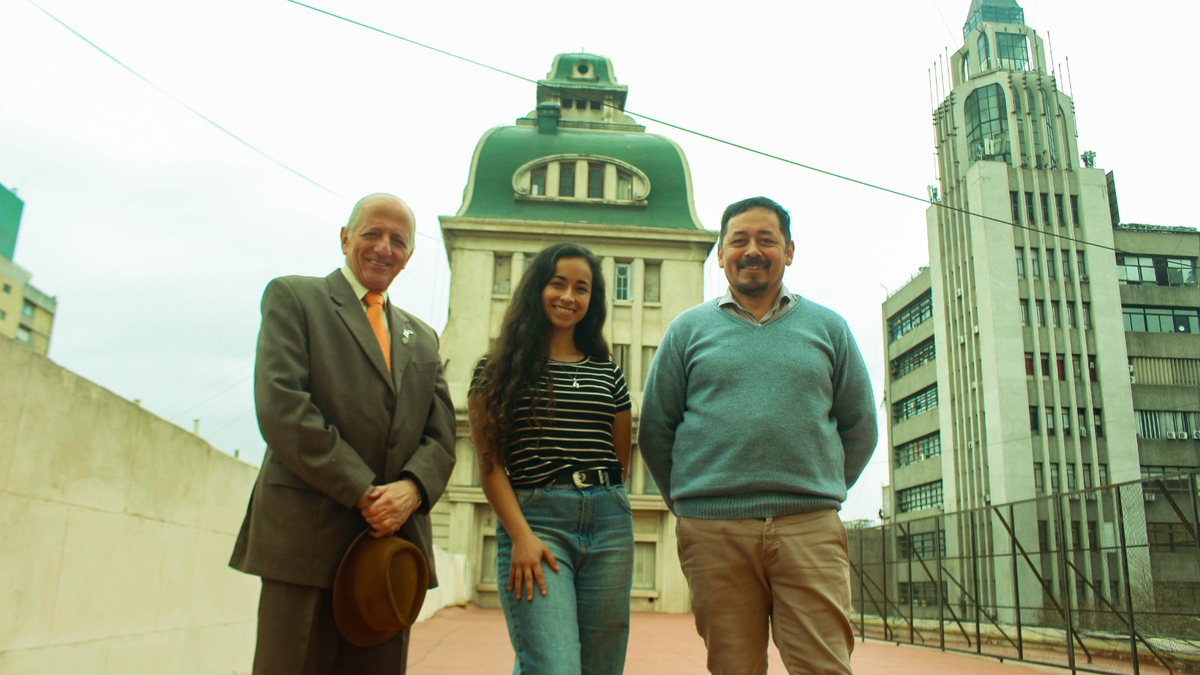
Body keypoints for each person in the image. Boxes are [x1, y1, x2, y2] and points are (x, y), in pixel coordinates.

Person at [639, 196, 878, 675]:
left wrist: (816, 487)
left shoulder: (829, 329)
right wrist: (694, 501)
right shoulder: (687, 331)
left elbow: (860, 427)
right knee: (734, 668)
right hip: (714, 532)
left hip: (809, 527)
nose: (752, 250)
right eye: (739, 240)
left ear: (788, 251)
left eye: (766, 240)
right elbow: (655, 429)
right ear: (722, 253)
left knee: (825, 666)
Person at [229, 193, 457, 674]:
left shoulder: (423, 338)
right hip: (305, 542)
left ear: (409, 256)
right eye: (372, 233)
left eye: (398, 240)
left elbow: (441, 437)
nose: (383, 248)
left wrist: (411, 491)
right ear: (345, 237)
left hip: (392, 555)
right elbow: (283, 407)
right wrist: (363, 491)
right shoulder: (295, 298)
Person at [468, 242, 634, 674]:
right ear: (536, 289)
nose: (568, 296)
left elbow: (619, 460)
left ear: (591, 301)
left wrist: (604, 500)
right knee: (553, 666)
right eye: (557, 284)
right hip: (537, 523)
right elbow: (490, 466)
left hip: (609, 523)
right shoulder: (495, 369)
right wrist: (520, 535)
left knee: (602, 668)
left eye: (582, 288)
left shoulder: (608, 372)